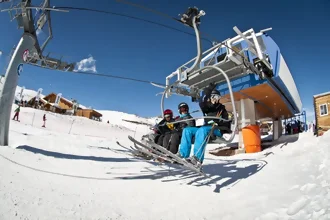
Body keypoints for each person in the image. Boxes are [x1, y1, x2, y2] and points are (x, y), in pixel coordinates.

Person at [178, 83, 231, 168]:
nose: (215, 100)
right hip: (206, 128)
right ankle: (183, 154)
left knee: (202, 130)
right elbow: (202, 103)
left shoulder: (222, 109)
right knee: (187, 130)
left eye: (217, 97)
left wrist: (220, 126)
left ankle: (197, 159)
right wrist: (208, 92)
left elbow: (226, 123)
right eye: (213, 97)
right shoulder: (207, 107)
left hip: (216, 129)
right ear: (210, 98)